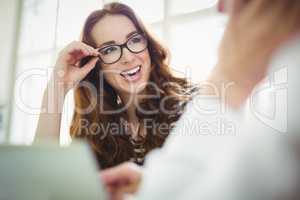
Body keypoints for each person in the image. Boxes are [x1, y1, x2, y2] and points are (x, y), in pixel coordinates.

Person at [100, 0, 300, 199]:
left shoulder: (284, 95)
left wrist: (231, 77)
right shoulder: (100, 127)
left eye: (135, 39)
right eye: (109, 50)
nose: (220, 5)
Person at [35, 3, 197, 169]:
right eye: (109, 50)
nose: (127, 57)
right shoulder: (95, 133)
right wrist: (58, 88)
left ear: (148, 45)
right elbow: (40, 178)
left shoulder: (194, 104)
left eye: (134, 40)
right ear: (97, 67)